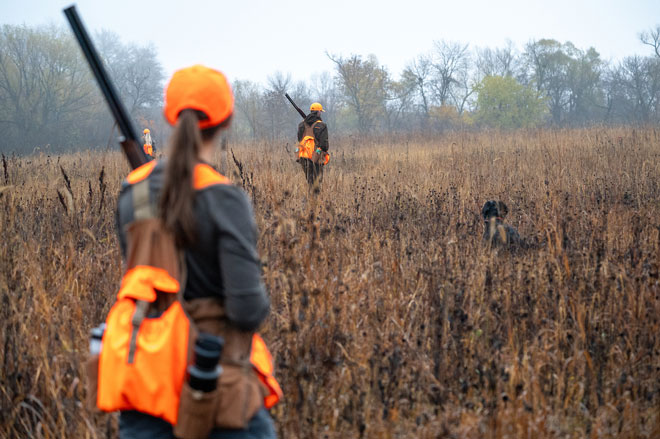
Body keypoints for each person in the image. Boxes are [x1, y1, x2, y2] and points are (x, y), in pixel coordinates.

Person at [110, 65, 278, 438]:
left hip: (145, 382)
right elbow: (247, 310)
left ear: (171, 117)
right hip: (211, 382)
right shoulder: (224, 197)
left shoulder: (132, 192)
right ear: (227, 120)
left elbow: (144, 275)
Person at [296, 102, 329, 187]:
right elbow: (324, 145)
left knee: (309, 180)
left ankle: (310, 197)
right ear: (318, 112)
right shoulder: (322, 125)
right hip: (316, 156)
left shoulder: (301, 125)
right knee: (317, 181)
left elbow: (300, 139)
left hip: (303, 155)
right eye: (320, 111)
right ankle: (315, 198)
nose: (320, 113)